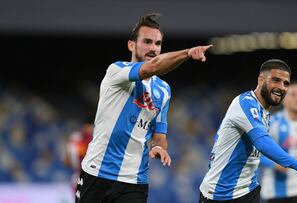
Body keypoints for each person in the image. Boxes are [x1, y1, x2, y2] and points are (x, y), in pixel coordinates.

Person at [76, 13, 212, 203]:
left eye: (157, 44)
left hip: (135, 181)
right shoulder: (117, 71)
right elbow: (153, 67)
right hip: (98, 173)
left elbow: (159, 136)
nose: (153, 48)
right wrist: (188, 53)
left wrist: (158, 148)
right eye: (147, 42)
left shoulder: (163, 90)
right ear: (131, 45)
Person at [199, 59, 297, 203]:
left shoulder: (264, 112)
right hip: (220, 194)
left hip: (248, 190)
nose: (281, 87)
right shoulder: (245, 103)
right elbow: (262, 142)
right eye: (276, 80)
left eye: (286, 83)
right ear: (261, 80)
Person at [63, 122, 93, 191]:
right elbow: (65, 160)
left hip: (89, 173)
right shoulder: (76, 138)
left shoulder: (92, 139)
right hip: (80, 172)